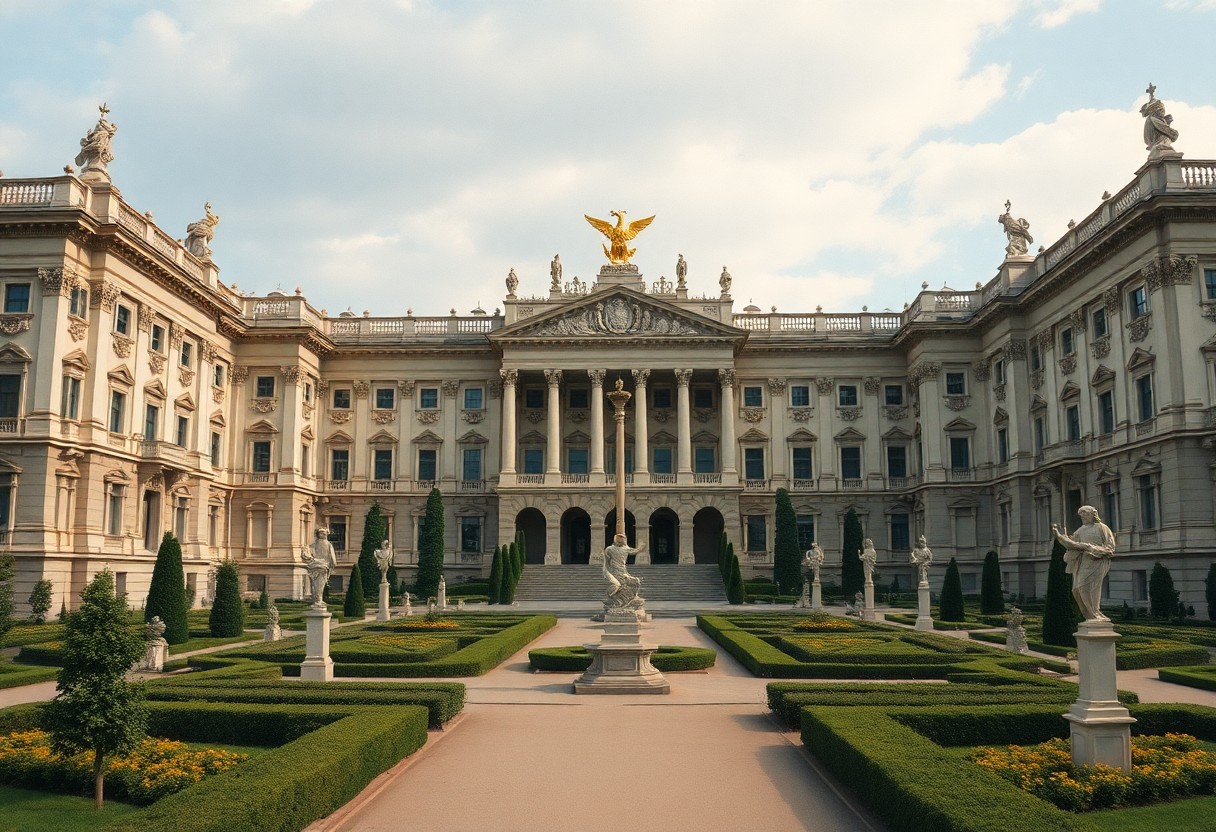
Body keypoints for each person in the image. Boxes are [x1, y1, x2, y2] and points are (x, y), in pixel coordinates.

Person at [1052, 506, 1116, 622]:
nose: (1082, 516)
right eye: (1081, 515)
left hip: (1096, 562)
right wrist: (1059, 537)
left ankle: (1095, 613)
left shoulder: (1102, 528)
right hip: (1083, 562)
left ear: (1093, 514)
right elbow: (1071, 544)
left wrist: (1092, 549)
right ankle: (1090, 615)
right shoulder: (1081, 530)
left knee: (1089, 587)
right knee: (1076, 589)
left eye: (1085, 514)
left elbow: (1110, 548)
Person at [603, 533, 645, 608]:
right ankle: (615, 600)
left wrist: (640, 548)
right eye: (621, 538)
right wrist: (607, 572)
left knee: (636, 582)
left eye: (624, 538)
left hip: (623, 570)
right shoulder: (609, 549)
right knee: (618, 585)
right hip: (615, 571)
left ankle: (631, 599)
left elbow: (634, 551)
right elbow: (606, 562)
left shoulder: (625, 548)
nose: (623, 540)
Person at [300, 527, 337, 608]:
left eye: (324, 533)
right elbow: (306, 554)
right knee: (316, 585)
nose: (323, 534)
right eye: (321, 533)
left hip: (323, 567)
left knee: (320, 585)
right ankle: (317, 600)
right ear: (318, 534)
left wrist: (330, 566)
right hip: (315, 567)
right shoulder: (313, 545)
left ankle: (318, 600)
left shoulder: (328, 545)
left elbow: (333, 559)